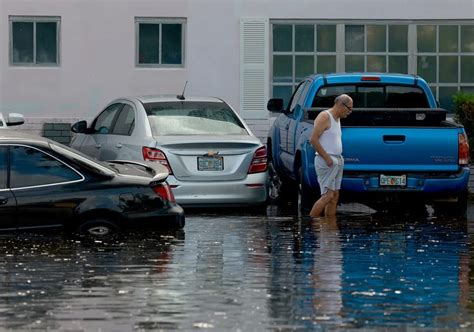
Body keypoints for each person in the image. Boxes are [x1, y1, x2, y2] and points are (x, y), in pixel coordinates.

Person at [309, 94, 353, 218]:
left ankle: (329, 226)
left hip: (337, 160)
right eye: (349, 108)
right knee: (327, 195)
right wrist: (327, 158)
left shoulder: (337, 118)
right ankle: (310, 223)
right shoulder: (325, 116)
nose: (350, 112)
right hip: (326, 160)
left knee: (334, 196)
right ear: (340, 105)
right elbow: (313, 139)